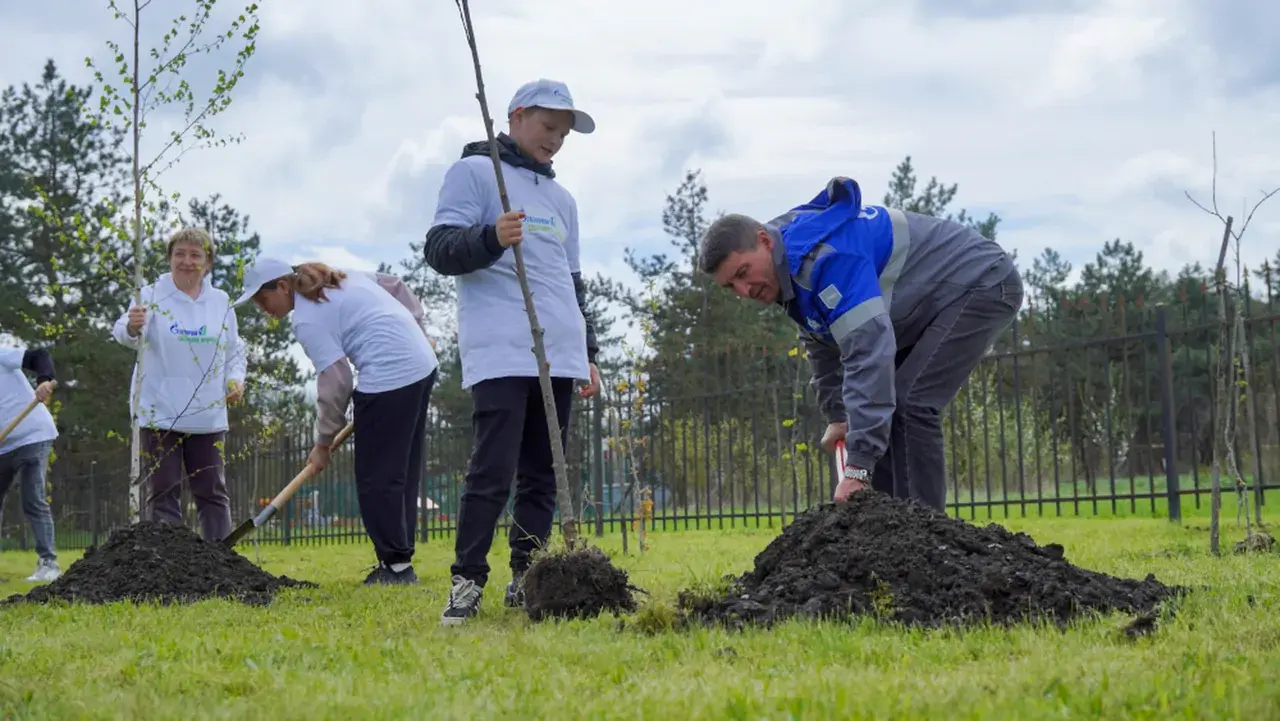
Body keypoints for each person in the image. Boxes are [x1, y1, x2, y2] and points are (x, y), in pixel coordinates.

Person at [697, 176, 1023, 513]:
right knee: (883, 404)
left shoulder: (825, 259)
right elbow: (822, 343)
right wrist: (840, 416)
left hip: (980, 281)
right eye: (730, 286)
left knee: (911, 401)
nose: (744, 291)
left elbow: (867, 353)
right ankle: (882, 529)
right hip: (924, 303)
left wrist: (858, 466)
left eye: (743, 272)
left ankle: (924, 535)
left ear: (764, 241)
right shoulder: (789, 268)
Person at [423, 78, 602, 625]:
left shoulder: (562, 199)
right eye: (549, 127)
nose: (556, 141)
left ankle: (526, 576)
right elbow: (438, 250)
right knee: (492, 469)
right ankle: (466, 580)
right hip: (502, 346)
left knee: (544, 473)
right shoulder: (476, 174)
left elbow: (572, 281)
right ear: (517, 116)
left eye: (564, 133)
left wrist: (588, 349)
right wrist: (491, 237)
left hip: (560, 352)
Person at [235, 258, 439, 585]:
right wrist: (416, 331)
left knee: (377, 478)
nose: (262, 307)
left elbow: (337, 380)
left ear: (283, 286)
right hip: (423, 364)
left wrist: (323, 444)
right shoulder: (343, 277)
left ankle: (397, 567)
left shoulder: (306, 318)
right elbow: (395, 285)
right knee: (401, 471)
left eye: (262, 298)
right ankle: (399, 560)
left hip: (390, 376)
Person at [112, 228, 246, 542]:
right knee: (163, 489)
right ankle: (168, 561)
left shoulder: (221, 302)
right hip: (160, 409)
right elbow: (122, 330)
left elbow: (234, 349)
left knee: (212, 490)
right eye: (180, 254)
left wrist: (235, 379)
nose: (187, 261)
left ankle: (221, 558)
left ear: (208, 262)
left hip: (207, 413)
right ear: (170, 258)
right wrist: (132, 327)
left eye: (195, 255)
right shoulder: (151, 294)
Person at [0, 345, 62, 582]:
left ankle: (49, 563)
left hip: (31, 435)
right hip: (3, 445)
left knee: (31, 498)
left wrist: (44, 380)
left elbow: (39, 356)